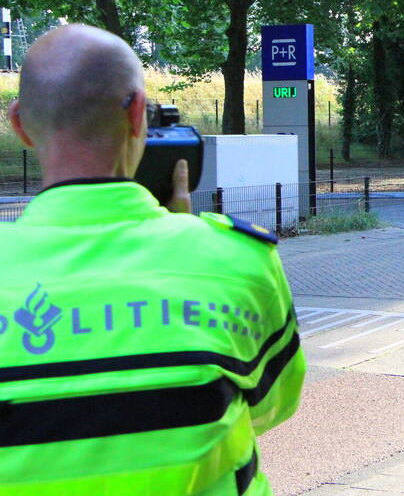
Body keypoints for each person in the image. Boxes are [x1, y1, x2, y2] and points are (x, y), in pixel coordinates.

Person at [0, 24, 306, 494]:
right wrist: (184, 239)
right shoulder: (234, 258)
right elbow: (272, 406)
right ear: (138, 114)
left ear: (19, 124)